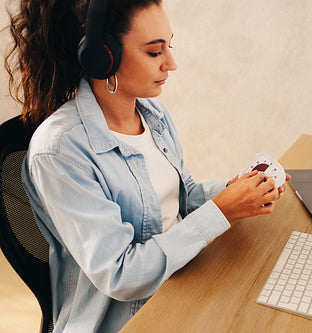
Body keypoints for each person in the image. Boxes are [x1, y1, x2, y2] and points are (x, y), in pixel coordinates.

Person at [4, 0, 289, 331]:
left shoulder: (154, 116)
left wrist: (235, 191)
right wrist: (221, 213)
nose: (172, 64)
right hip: (127, 319)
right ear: (103, 57)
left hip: (178, 283)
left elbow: (180, 196)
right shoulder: (60, 151)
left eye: (170, 47)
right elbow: (120, 274)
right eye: (155, 52)